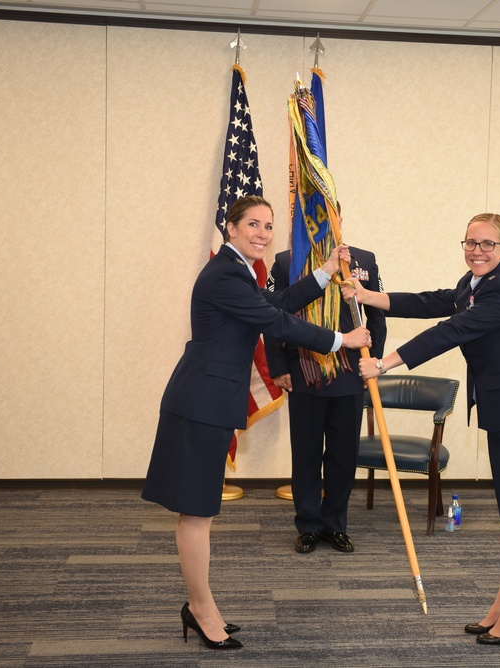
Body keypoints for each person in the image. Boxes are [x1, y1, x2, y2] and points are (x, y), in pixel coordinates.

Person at [141, 195, 371, 651]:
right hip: (200, 402)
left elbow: (281, 299)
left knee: (198, 512)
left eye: (268, 226)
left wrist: (324, 272)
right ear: (230, 228)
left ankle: (202, 605)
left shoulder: (241, 270)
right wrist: (342, 338)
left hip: (206, 398)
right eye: (253, 224)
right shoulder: (227, 273)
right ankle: (202, 610)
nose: (263, 233)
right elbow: (276, 320)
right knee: (197, 513)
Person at [344, 212, 500, 646]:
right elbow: (431, 302)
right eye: (471, 242)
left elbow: (448, 331)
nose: (477, 251)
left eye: (488, 244)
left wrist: (383, 364)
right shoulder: (474, 285)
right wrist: (368, 296)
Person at [265, 243, 386, 554]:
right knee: (305, 454)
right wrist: (278, 367)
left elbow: (377, 317)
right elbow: (274, 315)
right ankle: (308, 525)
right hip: (304, 370)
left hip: (349, 372)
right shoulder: (286, 261)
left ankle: (334, 524)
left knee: (343, 455)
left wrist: (374, 363)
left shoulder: (364, 259)